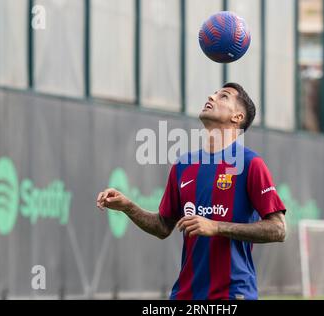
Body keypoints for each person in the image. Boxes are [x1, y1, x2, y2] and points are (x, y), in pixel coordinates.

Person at [96, 82, 287, 300]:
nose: (211, 96)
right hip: (185, 295)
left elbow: (278, 229)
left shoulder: (251, 163)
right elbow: (162, 227)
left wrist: (216, 227)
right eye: (213, 93)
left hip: (233, 294)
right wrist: (127, 207)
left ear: (237, 117)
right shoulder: (183, 165)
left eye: (223, 96)